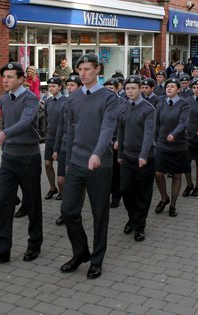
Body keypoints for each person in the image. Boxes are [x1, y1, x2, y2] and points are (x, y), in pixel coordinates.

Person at [60, 53, 119, 279]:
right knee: (68, 210)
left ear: (97, 70)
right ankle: (80, 251)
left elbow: (107, 129)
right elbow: (71, 131)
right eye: (80, 70)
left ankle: (97, 260)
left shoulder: (109, 98)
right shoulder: (73, 98)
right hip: (76, 162)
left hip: (99, 165)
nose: (82, 74)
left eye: (87, 69)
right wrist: (67, 162)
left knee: (99, 214)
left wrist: (97, 153)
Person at [0, 62, 43, 265]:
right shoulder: (4, 99)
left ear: (21, 79)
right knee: (4, 202)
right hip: (9, 158)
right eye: (4, 76)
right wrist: (4, 142)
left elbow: (24, 123)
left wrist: (3, 135)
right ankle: (1, 250)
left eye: (11, 77)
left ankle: (34, 244)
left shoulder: (30, 98)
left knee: (32, 202)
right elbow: (6, 123)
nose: (5, 80)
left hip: (28, 157)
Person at [117, 75, 156, 242]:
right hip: (127, 157)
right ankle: (133, 217)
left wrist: (143, 155)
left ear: (140, 89)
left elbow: (149, 134)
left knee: (143, 193)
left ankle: (139, 225)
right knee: (126, 190)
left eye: (133, 88)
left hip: (144, 158)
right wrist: (119, 154)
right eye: (127, 89)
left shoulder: (149, 109)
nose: (130, 91)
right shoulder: (124, 107)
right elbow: (120, 131)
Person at [154, 77, 190, 217]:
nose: (169, 88)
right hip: (162, 143)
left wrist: (174, 134)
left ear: (178, 90)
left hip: (178, 144)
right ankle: (164, 198)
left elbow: (183, 123)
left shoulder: (184, 105)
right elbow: (156, 124)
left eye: (172, 87)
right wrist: (156, 139)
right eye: (168, 86)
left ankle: (173, 205)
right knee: (158, 173)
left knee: (176, 174)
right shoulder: (160, 104)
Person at [53, 75, 83, 225]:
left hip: (78, 148)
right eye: (68, 85)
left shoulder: (84, 102)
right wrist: (56, 148)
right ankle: (65, 209)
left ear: (79, 86)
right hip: (65, 145)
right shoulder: (65, 103)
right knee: (61, 179)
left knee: (77, 183)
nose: (69, 88)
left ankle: (75, 211)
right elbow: (60, 127)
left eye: (73, 85)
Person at [43, 77, 66, 200]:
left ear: (60, 87)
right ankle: (53, 188)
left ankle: (62, 191)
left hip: (62, 138)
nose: (51, 88)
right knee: (47, 163)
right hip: (50, 138)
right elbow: (47, 120)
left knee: (61, 170)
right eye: (49, 86)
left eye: (53, 86)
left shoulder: (65, 101)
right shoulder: (48, 102)